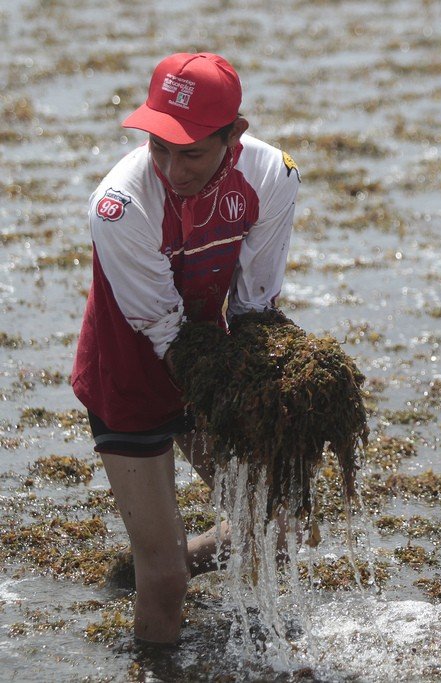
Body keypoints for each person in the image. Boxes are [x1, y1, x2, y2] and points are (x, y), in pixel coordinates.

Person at [71, 52, 301, 644]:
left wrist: (285, 382)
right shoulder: (120, 207)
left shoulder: (272, 176)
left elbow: (254, 306)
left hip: (206, 365)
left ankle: (146, 563)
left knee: (278, 522)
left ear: (235, 135)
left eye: (192, 152)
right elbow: (164, 332)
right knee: (167, 580)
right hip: (130, 377)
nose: (173, 169)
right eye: (159, 147)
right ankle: (154, 628)